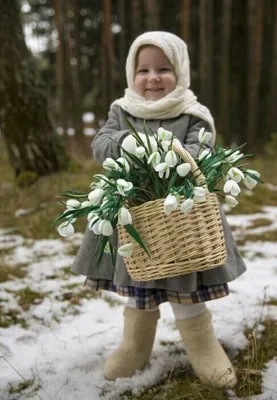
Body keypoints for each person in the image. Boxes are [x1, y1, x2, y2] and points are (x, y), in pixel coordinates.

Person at [72, 31, 246, 389]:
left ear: (180, 72)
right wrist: (126, 141)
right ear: (131, 74)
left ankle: (202, 345)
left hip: (182, 218)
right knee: (139, 284)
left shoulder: (192, 114)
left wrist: (167, 154)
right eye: (143, 70)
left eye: (164, 69)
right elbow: (101, 145)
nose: (152, 78)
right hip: (134, 218)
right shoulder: (122, 110)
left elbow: (199, 153)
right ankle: (135, 345)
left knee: (185, 282)